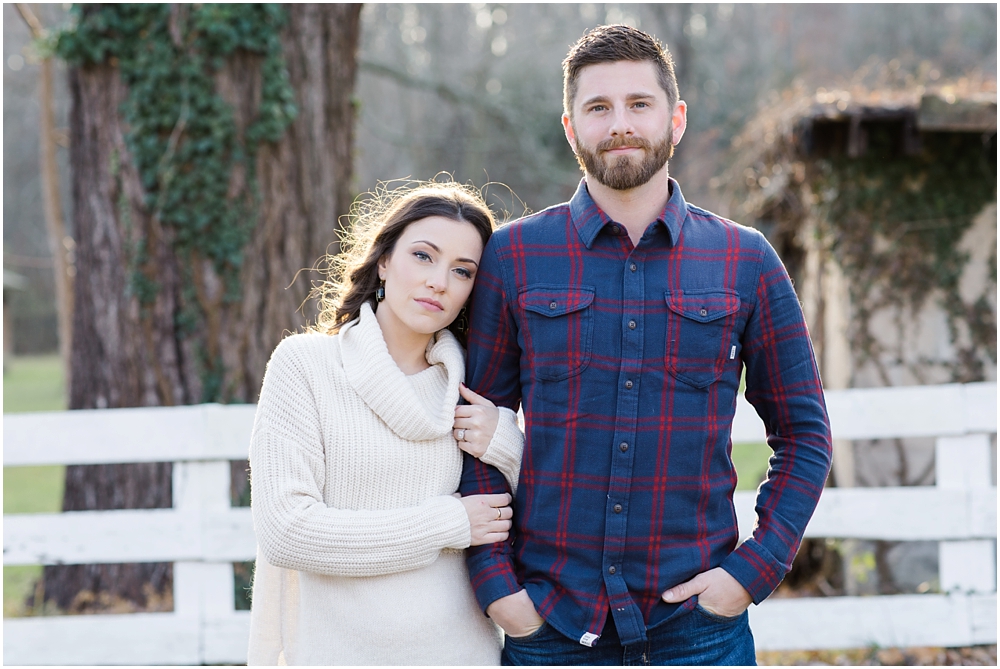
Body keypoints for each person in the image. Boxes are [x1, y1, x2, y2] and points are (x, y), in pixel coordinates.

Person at [459, 24, 833, 665]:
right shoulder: (513, 257)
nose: (620, 124)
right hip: (550, 625)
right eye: (598, 108)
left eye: (639, 104)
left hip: (699, 629)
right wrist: (498, 590)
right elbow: (471, 433)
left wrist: (752, 572)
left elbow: (804, 434)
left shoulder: (745, 262)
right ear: (571, 127)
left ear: (676, 118)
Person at [247, 182, 526, 665]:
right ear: (383, 260)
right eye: (423, 256)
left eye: (462, 271)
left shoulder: (475, 388)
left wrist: (505, 441)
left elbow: (547, 512)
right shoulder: (306, 367)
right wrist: (448, 523)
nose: (439, 280)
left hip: (459, 653)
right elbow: (287, 530)